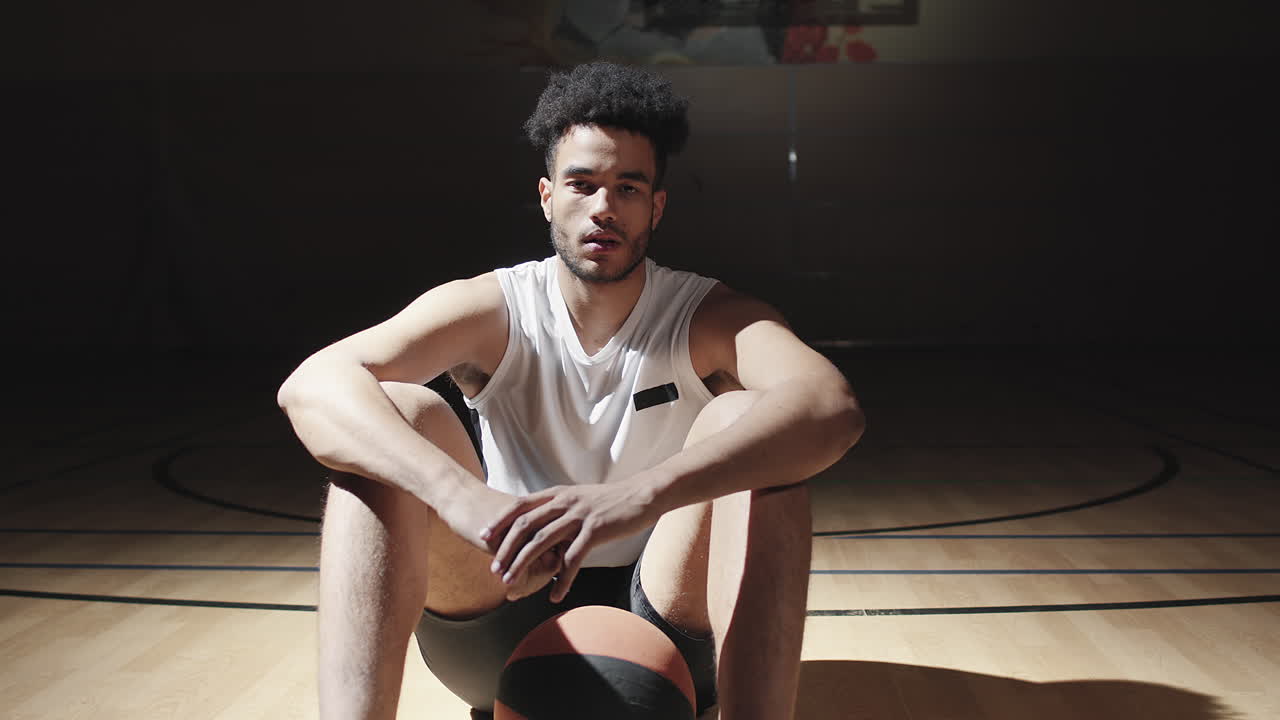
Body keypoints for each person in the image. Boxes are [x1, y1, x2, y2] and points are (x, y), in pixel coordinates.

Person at [277, 61, 864, 720]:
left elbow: (830, 405)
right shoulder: (493, 308)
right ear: (547, 196)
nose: (604, 208)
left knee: (751, 425)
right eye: (582, 184)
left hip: (670, 620)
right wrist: (465, 500)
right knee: (393, 417)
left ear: (656, 205)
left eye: (628, 187)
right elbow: (312, 385)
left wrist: (637, 497)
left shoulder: (707, 314)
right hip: (501, 612)